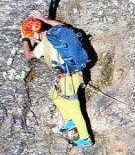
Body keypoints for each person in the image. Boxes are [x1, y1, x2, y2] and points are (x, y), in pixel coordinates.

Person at [20, 11, 93, 147]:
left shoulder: (44, 45)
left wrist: (24, 39)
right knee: (54, 94)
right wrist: (43, 18)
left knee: (74, 107)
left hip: (69, 77)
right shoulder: (55, 33)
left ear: (35, 34)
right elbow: (63, 26)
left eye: (31, 37)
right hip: (71, 75)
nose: (32, 40)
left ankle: (85, 138)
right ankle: (70, 119)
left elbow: (28, 55)